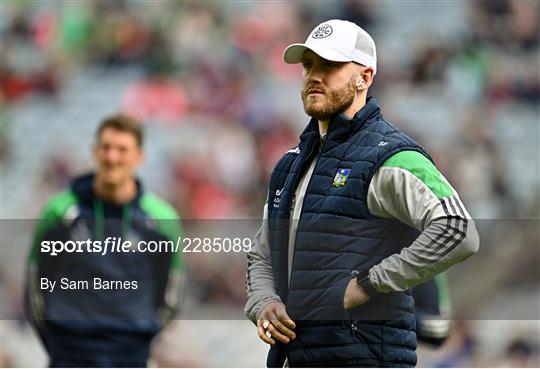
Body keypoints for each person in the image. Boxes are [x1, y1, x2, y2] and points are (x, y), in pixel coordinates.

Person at [245, 19, 479, 367]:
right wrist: (263, 302)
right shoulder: (288, 165)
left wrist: (370, 284)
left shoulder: (394, 156)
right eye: (309, 65)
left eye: (330, 65)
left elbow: (459, 231)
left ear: (364, 77)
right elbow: (262, 254)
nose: (314, 75)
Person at [25, 114, 184, 367]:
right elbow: (36, 285)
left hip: (130, 351)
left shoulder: (161, 219)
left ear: (139, 156)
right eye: (106, 147)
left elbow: (170, 292)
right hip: (69, 350)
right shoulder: (59, 212)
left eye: (122, 149)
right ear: (95, 151)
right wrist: (57, 338)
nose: (112, 157)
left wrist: (142, 335)